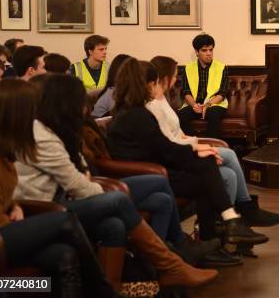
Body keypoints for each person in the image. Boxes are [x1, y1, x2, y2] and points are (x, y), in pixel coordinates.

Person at [14, 73, 219, 290]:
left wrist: (88, 180)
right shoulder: (42, 136)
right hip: (47, 208)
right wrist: (94, 184)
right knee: (118, 200)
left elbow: (81, 170)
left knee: (130, 216)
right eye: (80, 102)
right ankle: (170, 264)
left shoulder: (58, 129)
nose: (85, 108)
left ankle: (131, 279)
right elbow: (79, 186)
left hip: (66, 198)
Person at [0, 79, 122, 297]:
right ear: (16, 116)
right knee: (65, 219)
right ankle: (105, 292)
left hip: (4, 235)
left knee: (63, 254)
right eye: (32, 112)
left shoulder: (4, 150)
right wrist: (11, 212)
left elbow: (3, 195)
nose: (36, 119)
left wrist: (14, 205)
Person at [107, 58, 269, 243]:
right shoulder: (138, 115)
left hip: (155, 167)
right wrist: (195, 151)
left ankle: (224, 229)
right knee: (208, 167)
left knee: (208, 166)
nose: (156, 88)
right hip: (151, 172)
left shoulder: (130, 111)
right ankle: (226, 226)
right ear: (147, 84)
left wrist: (195, 150)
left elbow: (164, 147)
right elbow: (165, 149)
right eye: (154, 83)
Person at [150, 55, 279, 227]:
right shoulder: (152, 106)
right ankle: (241, 211)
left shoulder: (162, 100)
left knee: (230, 174)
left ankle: (229, 224)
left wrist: (195, 141)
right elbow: (168, 143)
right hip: (177, 157)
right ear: (165, 78)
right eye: (175, 75)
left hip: (184, 146)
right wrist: (197, 146)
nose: (176, 79)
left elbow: (178, 132)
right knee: (228, 155)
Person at [177, 34, 229, 139]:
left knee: (213, 114)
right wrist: (194, 105)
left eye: (211, 50)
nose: (209, 53)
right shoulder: (188, 68)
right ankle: (195, 144)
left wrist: (207, 105)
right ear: (197, 52)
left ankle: (212, 146)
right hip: (195, 104)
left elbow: (222, 93)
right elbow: (186, 92)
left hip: (214, 104)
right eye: (204, 50)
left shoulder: (222, 67)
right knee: (180, 115)